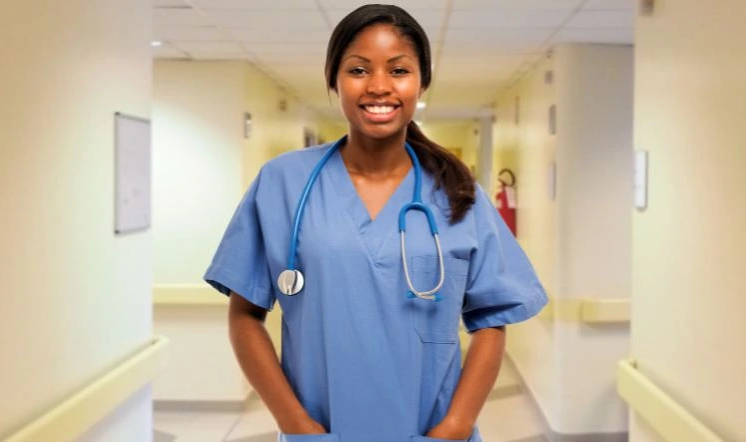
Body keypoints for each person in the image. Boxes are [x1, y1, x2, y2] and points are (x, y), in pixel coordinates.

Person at [204, 4, 547, 442]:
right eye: (359, 70)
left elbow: (491, 320)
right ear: (334, 79)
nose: (379, 87)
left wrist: (456, 426)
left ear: (421, 82)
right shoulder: (283, 182)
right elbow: (244, 316)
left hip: (429, 431)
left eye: (399, 70)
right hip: (322, 432)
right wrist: (296, 425)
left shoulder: (458, 192)